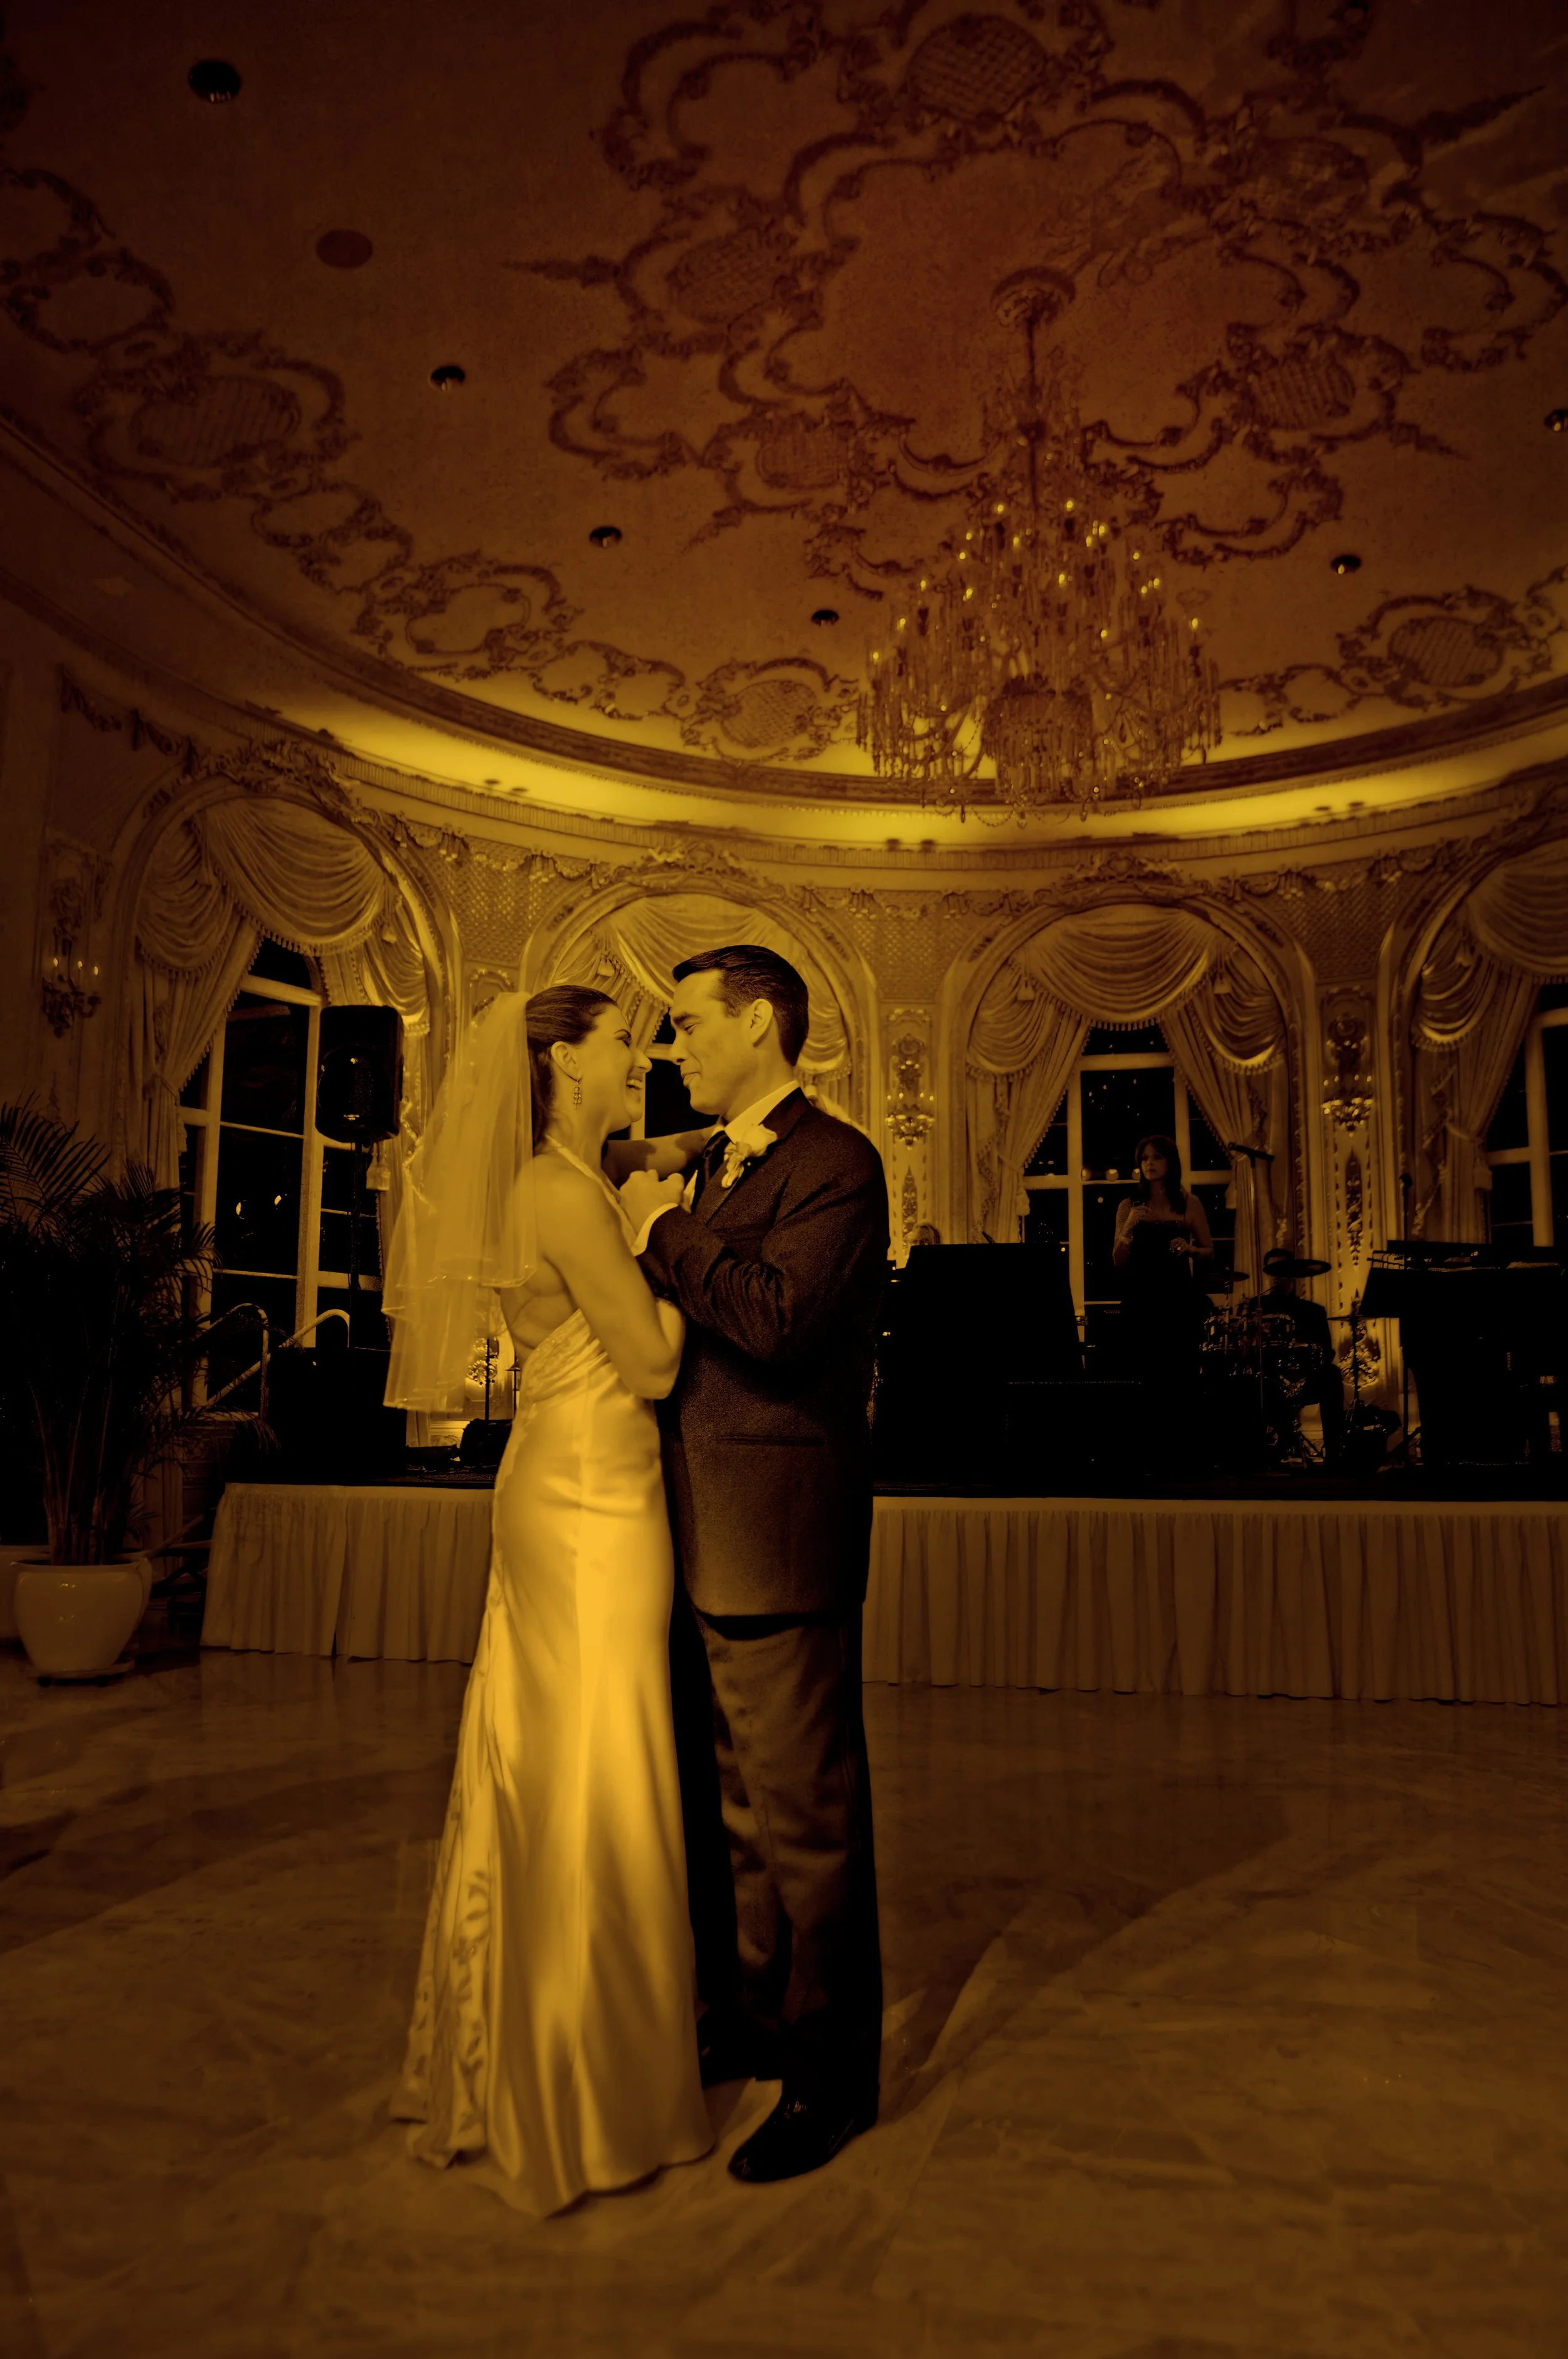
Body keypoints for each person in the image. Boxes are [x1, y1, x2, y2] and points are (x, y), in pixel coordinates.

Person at [384, 987, 712, 2215]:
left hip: (568, 1485)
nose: (642, 1057)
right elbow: (655, 1360)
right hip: (591, 1504)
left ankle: (543, 2050)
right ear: (565, 1060)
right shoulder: (566, 1196)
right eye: (623, 1041)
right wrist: (667, 1226)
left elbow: (633, 1153)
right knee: (598, 1765)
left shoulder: (565, 1175)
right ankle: (583, 2086)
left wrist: (653, 1171)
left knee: (557, 1755)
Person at [619, 945, 891, 2187]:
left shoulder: (839, 1162)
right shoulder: (712, 1161)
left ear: (761, 1024)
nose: (672, 1046)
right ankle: (751, 2017)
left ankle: (831, 2075)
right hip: (690, 1530)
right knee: (731, 1809)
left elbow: (775, 1320)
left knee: (806, 1820)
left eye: (688, 1023)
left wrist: (663, 1229)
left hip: (776, 1533)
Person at [1111, 1132, 1214, 1376]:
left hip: (1177, 1301)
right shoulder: (1128, 1205)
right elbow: (1117, 1260)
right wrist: (1129, 1227)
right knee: (1139, 1372)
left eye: (1157, 1157)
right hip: (1139, 1302)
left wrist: (1190, 1250)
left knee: (1178, 1371)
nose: (1149, 1163)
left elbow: (1209, 1251)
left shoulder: (1189, 1203)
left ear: (1171, 1161)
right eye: (1145, 1158)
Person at [1256, 1246, 1347, 1462]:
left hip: (1304, 1377)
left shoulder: (1313, 1311)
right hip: (1266, 1379)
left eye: (1283, 1270)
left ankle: (1334, 1453)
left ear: (1294, 1273)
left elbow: (1326, 1351)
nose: (1278, 1276)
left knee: (1332, 1375)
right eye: (1273, 1270)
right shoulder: (1255, 1306)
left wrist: (1306, 1360)